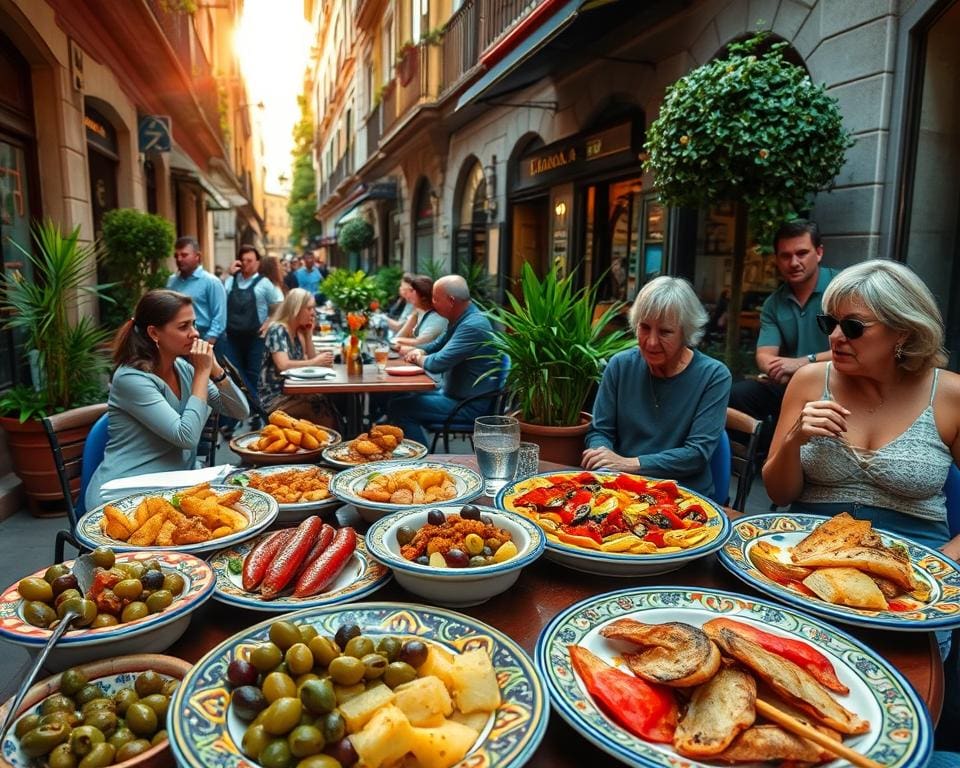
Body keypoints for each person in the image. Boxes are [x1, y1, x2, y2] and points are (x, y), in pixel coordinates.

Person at [763, 259, 960, 557]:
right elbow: (779, 494)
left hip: (917, 556)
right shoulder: (810, 381)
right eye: (829, 323)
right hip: (811, 548)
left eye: (853, 327)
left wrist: (945, 561)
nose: (835, 337)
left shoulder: (948, 394)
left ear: (902, 331)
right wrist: (794, 440)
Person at [84, 290, 248, 511]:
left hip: (174, 485)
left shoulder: (182, 368)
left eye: (194, 324)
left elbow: (241, 411)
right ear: (154, 333)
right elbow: (186, 437)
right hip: (124, 495)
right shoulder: (131, 378)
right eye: (184, 327)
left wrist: (216, 371)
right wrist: (202, 373)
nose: (195, 333)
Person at [582, 276, 731, 497]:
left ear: (686, 333)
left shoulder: (714, 376)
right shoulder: (620, 366)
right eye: (644, 327)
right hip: (622, 490)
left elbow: (696, 454)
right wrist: (602, 458)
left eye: (665, 332)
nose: (651, 342)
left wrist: (629, 464)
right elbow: (601, 431)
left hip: (684, 498)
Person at [728, 219, 838, 429]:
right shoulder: (774, 303)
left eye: (802, 253)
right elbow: (764, 356)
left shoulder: (842, 290)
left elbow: (858, 349)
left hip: (836, 382)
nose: (794, 262)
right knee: (735, 396)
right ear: (777, 260)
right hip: (790, 384)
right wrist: (781, 369)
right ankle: (756, 457)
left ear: (819, 253)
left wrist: (801, 363)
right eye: (785, 256)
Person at [386, 275, 499, 446]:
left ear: (451, 300)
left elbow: (437, 363)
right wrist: (420, 350)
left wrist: (417, 357)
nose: (432, 303)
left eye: (435, 299)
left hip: (468, 406)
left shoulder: (472, 325)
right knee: (400, 396)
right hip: (454, 394)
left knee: (400, 407)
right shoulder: (464, 317)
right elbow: (437, 344)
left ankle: (421, 462)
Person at [220, 245, 280, 435]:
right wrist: (227, 274)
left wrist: (270, 322)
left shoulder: (264, 284)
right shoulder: (230, 281)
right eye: (243, 260)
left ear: (258, 263)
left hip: (255, 338)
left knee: (252, 376)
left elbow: (278, 305)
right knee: (234, 377)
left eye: (249, 261)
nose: (246, 264)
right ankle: (242, 416)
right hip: (233, 337)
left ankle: (258, 415)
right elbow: (220, 295)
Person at [259, 288, 340, 428]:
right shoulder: (277, 329)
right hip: (275, 398)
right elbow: (282, 365)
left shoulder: (297, 331)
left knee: (329, 403)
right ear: (296, 309)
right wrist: (315, 361)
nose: (313, 313)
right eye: (309, 308)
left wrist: (308, 335)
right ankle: (326, 446)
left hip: (294, 393)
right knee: (321, 410)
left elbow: (312, 361)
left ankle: (332, 444)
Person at [165, 236, 227, 345]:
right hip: (177, 339)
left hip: (204, 338)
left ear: (197, 256)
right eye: (176, 256)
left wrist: (208, 342)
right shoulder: (172, 281)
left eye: (184, 255)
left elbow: (219, 315)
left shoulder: (211, 282)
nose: (179, 259)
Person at [393, 274, 448, 349]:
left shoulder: (438, 318)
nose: (407, 293)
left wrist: (397, 341)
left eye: (412, 290)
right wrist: (414, 316)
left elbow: (420, 343)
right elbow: (400, 336)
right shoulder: (420, 312)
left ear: (423, 298)